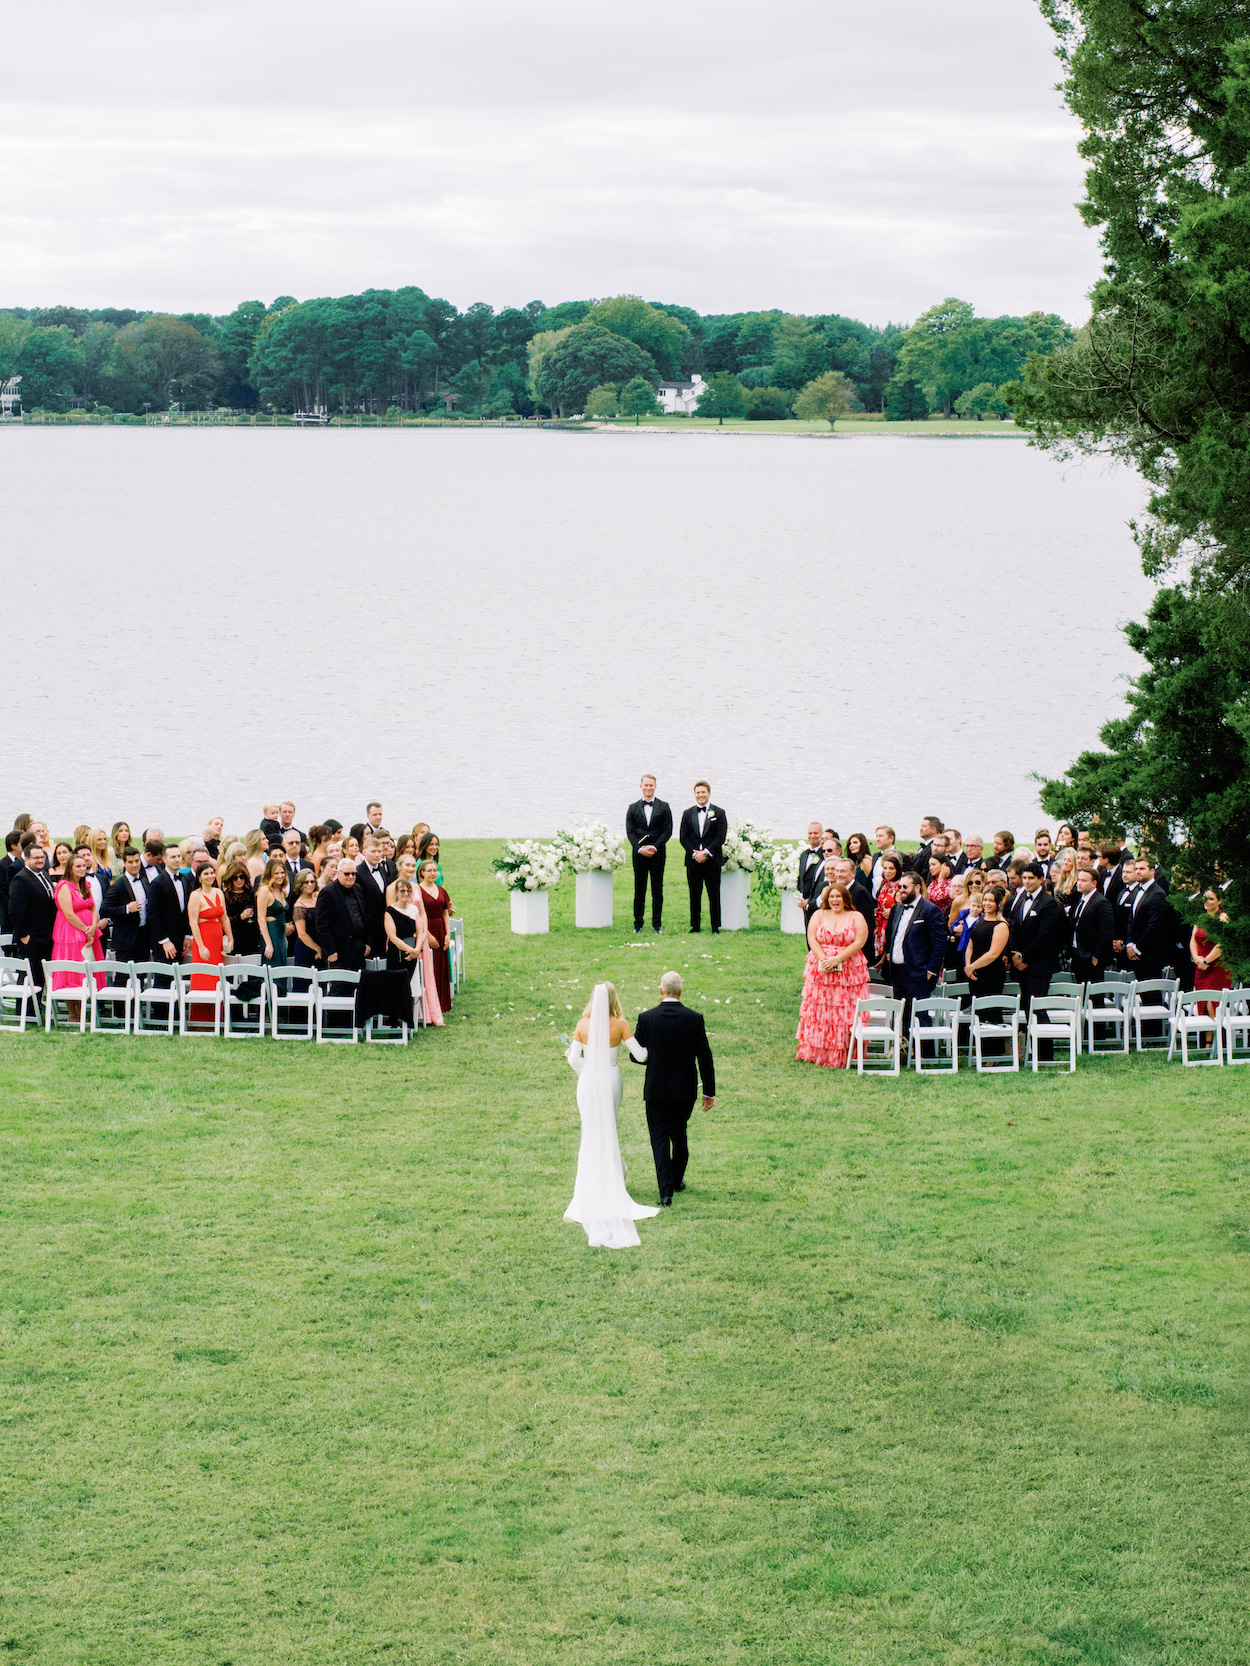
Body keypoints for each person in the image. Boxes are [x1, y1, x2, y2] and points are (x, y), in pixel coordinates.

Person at [563, 982, 659, 1247]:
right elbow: (640, 1055)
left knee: (591, 1130)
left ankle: (598, 1179)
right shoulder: (620, 1024)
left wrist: (587, 1070)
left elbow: (573, 1060)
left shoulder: (583, 1025)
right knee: (608, 1128)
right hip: (611, 1081)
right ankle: (614, 1175)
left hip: (589, 1083)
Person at [633, 971, 715, 1205]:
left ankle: (665, 1192)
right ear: (680, 991)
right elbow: (704, 1056)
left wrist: (654, 1056)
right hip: (684, 1088)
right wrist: (708, 1091)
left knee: (658, 1138)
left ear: (661, 990)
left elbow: (635, 1055)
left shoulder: (647, 1018)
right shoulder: (694, 1018)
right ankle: (677, 1178)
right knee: (679, 1132)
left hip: (656, 1089)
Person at [796, 882, 870, 1068]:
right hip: (820, 968)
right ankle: (816, 1051)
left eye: (839, 896)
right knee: (820, 1010)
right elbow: (811, 937)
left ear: (846, 899)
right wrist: (823, 959)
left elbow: (860, 941)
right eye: (831, 896)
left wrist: (837, 959)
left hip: (848, 969)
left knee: (844, 1011)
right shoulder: (818, 914)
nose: (835, 900)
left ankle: (845, 1054)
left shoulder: (856, 916)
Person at [882, 867, 947, 1042]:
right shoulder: (897, 909)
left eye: (905, 887)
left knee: (919, 1014)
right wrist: (888, 954)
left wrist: (931, 970)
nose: (901, 890)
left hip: (918, 971)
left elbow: (940, 943)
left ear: (917, 887)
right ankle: (903, 1050)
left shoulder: (930, 910)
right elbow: (892, 935)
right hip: (897, 970)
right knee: (901, 1013)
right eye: (900, 887)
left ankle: (924, 1055)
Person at [1009, 862, 1064, 1059]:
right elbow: (1014, 927)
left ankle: (1045, 1053)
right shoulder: (1021, 898)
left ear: (1041, 879)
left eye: (1031, 878)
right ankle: (1033, 1050)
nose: (1027, 882)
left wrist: (1024, 956)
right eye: (1024, 878)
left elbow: (1045, 935)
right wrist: (1014, 955)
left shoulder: (1048, 903)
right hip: (1020, 963)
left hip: (1039, 964)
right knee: (1026, 1007)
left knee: (1037, 1007)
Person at [384, 874, 442, 1025]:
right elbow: (392, 936)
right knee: (396, 986)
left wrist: (417, 950)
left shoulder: (414, 910)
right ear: (396, 893)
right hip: (396, 954)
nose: (405, 894)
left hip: (413, 954)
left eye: (408, 891)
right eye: (402, 891)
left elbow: (421, 931)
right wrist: (411, 950)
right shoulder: (389, 911)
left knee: (409, 985)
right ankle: (393, 1019)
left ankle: (407, 1019)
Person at [52, 850, 104, 1015]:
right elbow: (68, 914)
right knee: (72, 970)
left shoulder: (85, 884)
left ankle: (82, 1011)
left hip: (90, 932)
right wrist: (85, 930)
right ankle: (73, 1014)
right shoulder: (64, 886)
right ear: (70, 868)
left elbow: (94, 908)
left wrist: (94, 927)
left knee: (87, 966)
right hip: (70, 933)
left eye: (84, 866)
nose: (82, 869)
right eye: (78, 866)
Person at [10, 839, 58, 992]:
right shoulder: (21, 879)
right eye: (36, 858)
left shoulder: (44, 875)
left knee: (40, 978)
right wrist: (25, 936)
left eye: (42, 857)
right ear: (26, 859)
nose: (40, 860)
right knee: (29, 978)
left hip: (46, 936)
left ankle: (37, 1011)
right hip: (32, 939)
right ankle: (25, 1012)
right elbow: (15, 912)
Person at [626, 774, 672, 934]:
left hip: (657, 854)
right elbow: (630, 832)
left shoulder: (664, 807)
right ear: (641, 787)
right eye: (645, 785)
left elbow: (667, 831)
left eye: (651, 785)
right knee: (639, 889)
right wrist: (640, 848)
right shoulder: (632, 808)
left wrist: (655, 847)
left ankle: (657, 924)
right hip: (639, 855)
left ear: (655, 786)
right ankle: (638, 923)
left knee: (657, 889)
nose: (648, 788)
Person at [187, 860, 231, 1021]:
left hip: (217, 941)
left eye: (212, 873)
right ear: (199, 877)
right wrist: (201, 946)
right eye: (206, 873)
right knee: (203, 978)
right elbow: (193, 922)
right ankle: (201, 1020)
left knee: (216, 978)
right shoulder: (196, 895)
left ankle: (217, 1019)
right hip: (203, 941)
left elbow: (225, 917)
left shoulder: (219, 893)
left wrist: (230, 937)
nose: (210, 876)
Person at [680, 781, 726, 933]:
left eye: (703, 792)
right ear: (695, 795)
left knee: (714, 893)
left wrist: (706, 852)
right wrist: (695, 853)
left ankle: (715, 926)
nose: (700, 795)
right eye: (698, 793)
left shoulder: (719, 813)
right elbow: (683, 837)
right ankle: (695, 925)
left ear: (709, 793)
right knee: (694, 894)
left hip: (712, 860)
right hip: (693, 860)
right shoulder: (687, 813)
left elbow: (720, 837)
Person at [315, 858, 368, 979]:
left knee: (359, 987)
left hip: (358, 948)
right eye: (347, 874)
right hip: (338, 951)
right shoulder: (327, 892)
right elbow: (321, 924)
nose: (350, 876)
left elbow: (364, 916)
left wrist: (367, 942)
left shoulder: (358, 889)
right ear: (338, 874)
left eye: (353, 873)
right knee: (339, 988)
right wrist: (330, 950)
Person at [148, 841, 192, 980]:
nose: (177, 859)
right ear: (165, 860)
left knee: (179, 979)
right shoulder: (157, 883)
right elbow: (153, 915)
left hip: (181, 939)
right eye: (173, 857)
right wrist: (164, 941)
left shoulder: (185, 880)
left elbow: (186, 912)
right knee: (164, 981)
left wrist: (187, 935)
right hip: (164, 942)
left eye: (179, 856)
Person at [418, 858, 454, 1013]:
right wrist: (427, 935)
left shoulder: (441, 890)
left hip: (440, 928)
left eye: (435, 870)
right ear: (422, 873)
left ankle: (443, 1002)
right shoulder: (418, 890)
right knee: (430, 966)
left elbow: (445, 913)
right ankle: (430, 1005)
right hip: (427, 929)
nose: (433, 873)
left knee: (442, 964)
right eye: (429, 871)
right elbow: (417, 915)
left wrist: (448, 934)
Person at [1069, 865, 1115, 986]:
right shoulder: (1080, 899)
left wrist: (1096, 956)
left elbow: (1107, 933)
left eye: (1083, 881)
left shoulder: (1101, 902)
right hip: (1077, 955)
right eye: (1078, 880)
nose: (1079, 883)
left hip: (1090, 957)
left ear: (1094, 883)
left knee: (1094, 996)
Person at [1126, 856, 1170, 980]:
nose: (1138, 871)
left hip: (1150, 955)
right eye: (1136, 869)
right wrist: (1129, 944)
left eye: (1142, 868)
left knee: (1151, 996)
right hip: (1134, 953)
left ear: (1152, 871)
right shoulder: (1136, 891)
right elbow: (1131, 919)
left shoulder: (1157, 894)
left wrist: (1137, 948)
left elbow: (1153, 926)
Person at [102, 847, 149, 963]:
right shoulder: (117, 886)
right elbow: (105, 910)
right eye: (130, 862)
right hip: (125, 940)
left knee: (141, 975)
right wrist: (127, 908)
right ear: (124, 863)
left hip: (143, 937)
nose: (134, 865)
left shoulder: (144, 881)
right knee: (122, 977)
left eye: (137, 861)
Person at [1191, 890, 1233, 1014]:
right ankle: (1206, 1034)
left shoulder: (1224, 918)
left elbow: (1221, 944)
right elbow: (1193, 940)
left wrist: (1205, 961)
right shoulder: (1201, 918)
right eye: (1205, 899)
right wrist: (1197, 958)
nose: (1207, 902)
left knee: (1212, 1004)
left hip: (1217, 967)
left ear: (1219, 901)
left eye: (1211, 899)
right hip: (1201, 967)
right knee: (1202, 1003)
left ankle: (1217, 1034)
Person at [356, 837, 390, 954]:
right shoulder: (358, 872)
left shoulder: (382, 870)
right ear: (364, 852)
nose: (377, 855)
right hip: (368, 927)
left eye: (379, 851)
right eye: (373, 851)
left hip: (383, 925)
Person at [256, 859, 291, 969]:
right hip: (271, 933)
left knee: (282, 968)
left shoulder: (281, 890)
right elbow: (261, 918)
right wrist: (268, 944)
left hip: (281, 935)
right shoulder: (265, 890)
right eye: (276, 873)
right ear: (269, 874)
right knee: (273, 968)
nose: (280, 876)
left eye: (282, 872)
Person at [290, 869, 322, 978]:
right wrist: (318, 949)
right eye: (306, 882)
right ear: (300, 884)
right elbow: (302, 934)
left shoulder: (318, 898)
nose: (310, 884)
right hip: (305, 948)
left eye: (312, 881)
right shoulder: (299, 905)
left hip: (320, 944)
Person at [873, 852, 904, 965]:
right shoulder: (884, 883)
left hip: (893, 923)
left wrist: (893, 911)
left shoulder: (901, 885)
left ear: (897, 870)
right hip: (880, 924)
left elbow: (906, 905)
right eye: (885, 868)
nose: (887, 871)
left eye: (891, 868)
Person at [797, 822, 827, 902]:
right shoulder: (804, 855)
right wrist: (800, 897)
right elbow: (801, 878)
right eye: (810, 833)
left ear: (822, 835)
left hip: (818, 900)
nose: (812, 836)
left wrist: (811, 900)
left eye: (816, 833)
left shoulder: (825, 854)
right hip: (804, 902)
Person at [926, 851, 953, 916]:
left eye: (933, 864)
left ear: (944, 865)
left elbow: (938, 897)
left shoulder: (951, 882)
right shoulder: (933, 882)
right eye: (930, 865)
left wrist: (941, 878)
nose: (931, 868)